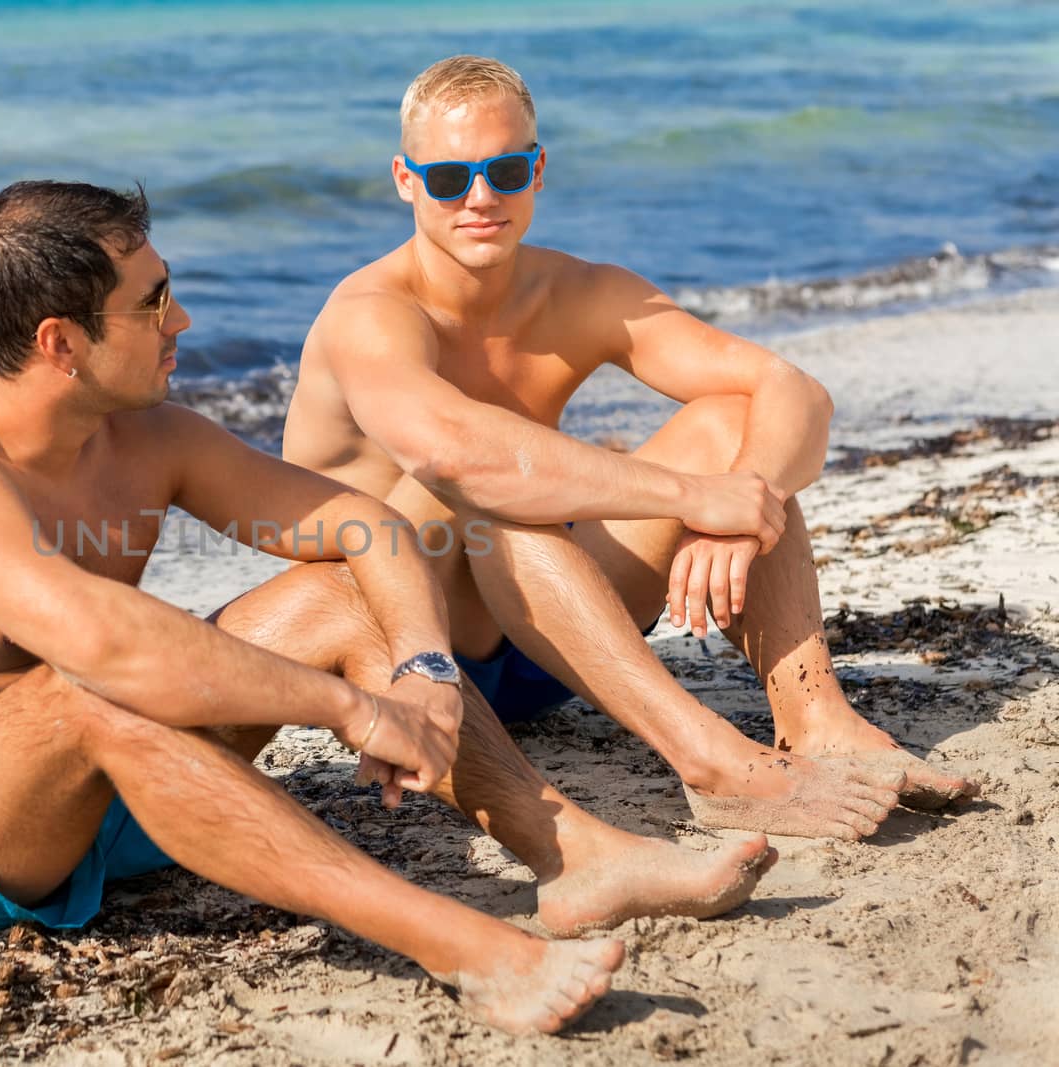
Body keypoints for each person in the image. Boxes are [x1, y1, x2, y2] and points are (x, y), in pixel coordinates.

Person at [0, 180, 780, 1036]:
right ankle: (461, 944)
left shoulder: (148, 436)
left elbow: (362, 525)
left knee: (332, 597)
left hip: (117, 784)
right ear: (61, 343)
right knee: (89, 688)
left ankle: (573, 853)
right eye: (151, 302)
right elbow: (108, 643)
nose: (180, 318)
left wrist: (421, 668)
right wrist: (354, 710)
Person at [282, 55, 977, 841]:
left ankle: (817, 718)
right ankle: (708, 759)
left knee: (729, 426)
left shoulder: (579, 293)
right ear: (406, 180)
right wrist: (689, 499)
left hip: (559, 636)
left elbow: (794, 391)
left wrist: (742, 501)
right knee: (486, 490)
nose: (480, 198)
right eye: (449, 179)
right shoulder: (370, 315)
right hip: (411, 654)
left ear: (538, 170)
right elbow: (455, 455)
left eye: (504, 170)